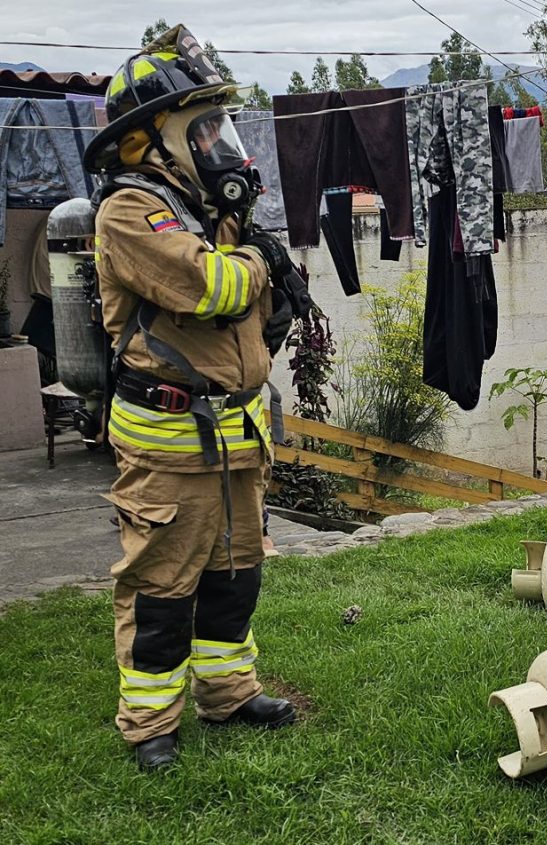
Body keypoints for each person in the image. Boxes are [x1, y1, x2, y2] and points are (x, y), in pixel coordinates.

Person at [82, 25, 306, 769]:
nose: (218, 139)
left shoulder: (206, 208)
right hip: (169, 444)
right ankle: (151, 726)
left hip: (237, 438)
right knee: (161, 590)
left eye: (220, 124)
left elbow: (252, 296)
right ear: (153, 139)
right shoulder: (129, 213)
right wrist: (255, 258)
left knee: (235, 576)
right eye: (202, 125)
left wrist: (254, 257)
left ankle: (229, 693)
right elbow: (213, 287)